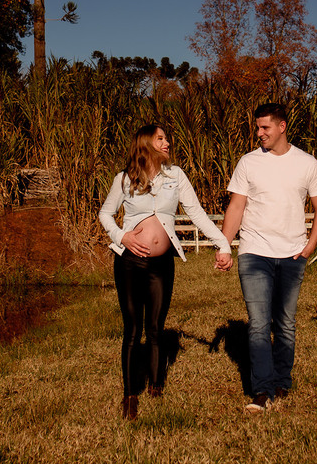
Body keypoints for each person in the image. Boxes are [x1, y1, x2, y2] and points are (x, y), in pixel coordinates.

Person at [99, 122, 233, 421]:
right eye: (161, 139)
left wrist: (222, 244)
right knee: (133, 330)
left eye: (167, 138)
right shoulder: (124, 179)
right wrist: (123, 237)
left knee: (156, 328)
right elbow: (105, 214)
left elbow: (196, 212)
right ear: (146, 143)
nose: (167, 143)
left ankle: (157, 386)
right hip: (130, 262)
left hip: (161, 264)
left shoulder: (176, 176)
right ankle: (130, 394)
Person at [222, 102, 317, 413]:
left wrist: (309, 247)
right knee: (258, 324)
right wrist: (225, 245)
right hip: (254, 252)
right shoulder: (248, 162)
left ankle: (282, 381)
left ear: (282, 127)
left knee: (284, 323)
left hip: (293, 254)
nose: (260, 133)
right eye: (258, 127)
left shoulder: (307, 163)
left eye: (265, 128)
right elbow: (236, 206)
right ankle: (261, 391)